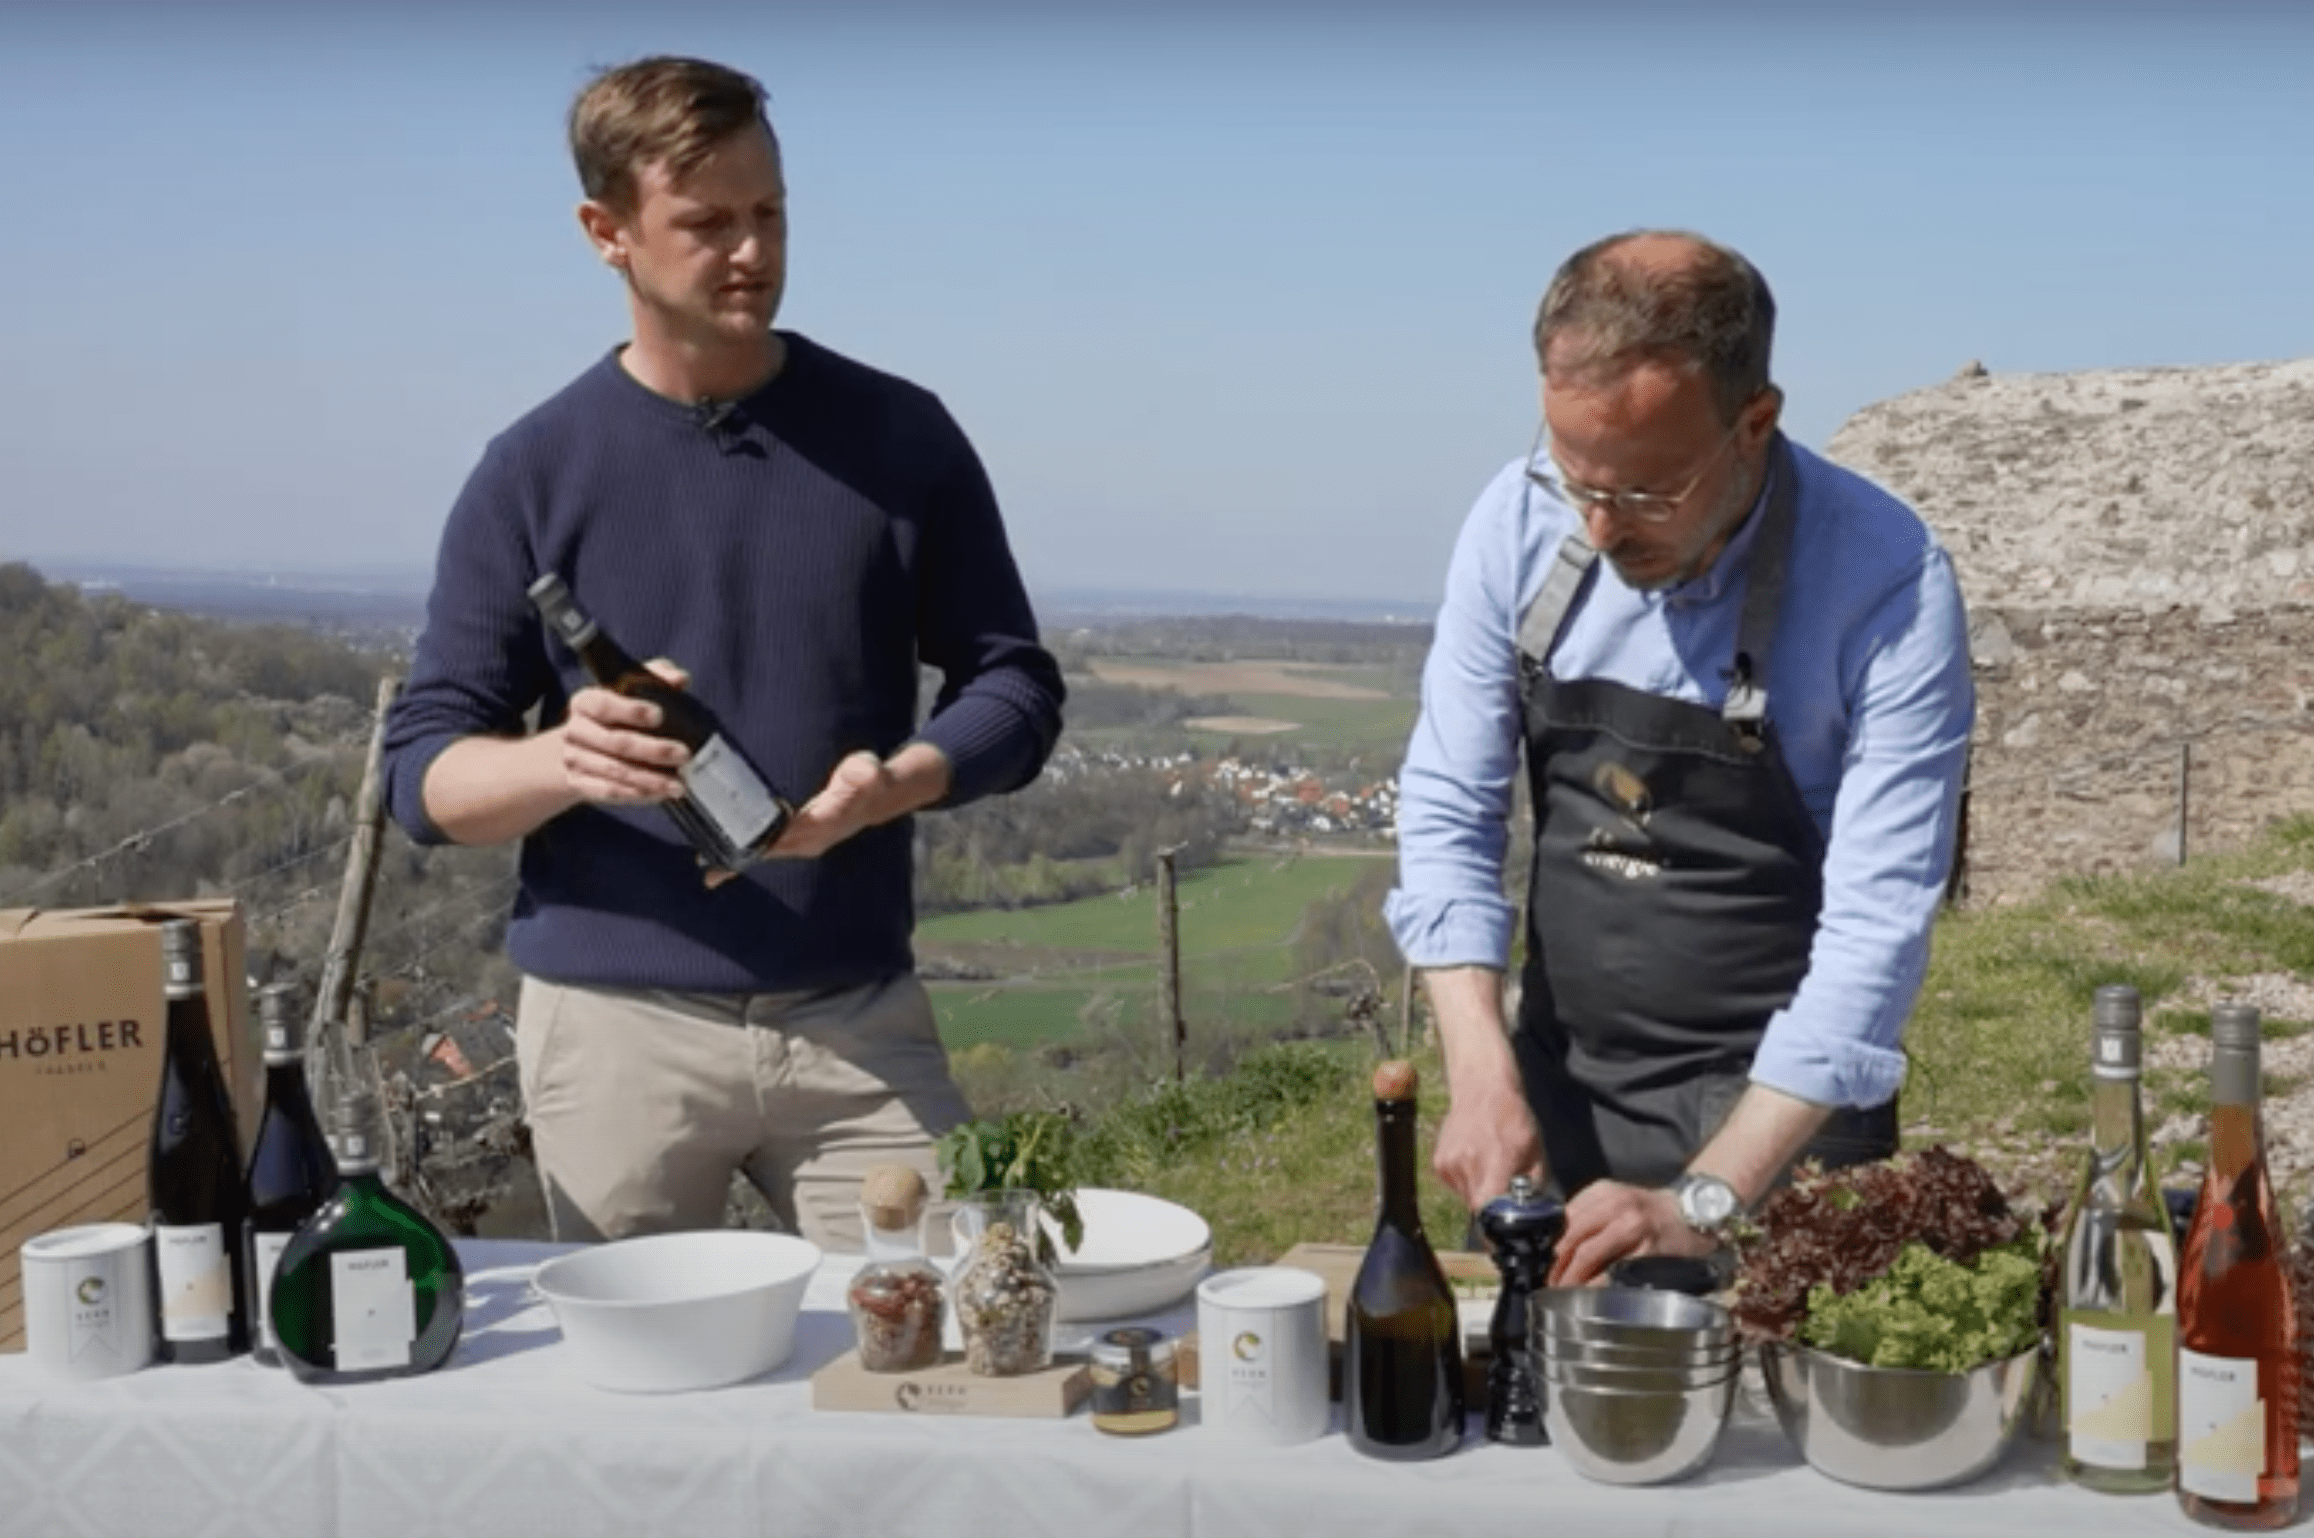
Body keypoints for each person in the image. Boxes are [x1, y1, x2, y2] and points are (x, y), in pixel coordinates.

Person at [381, 56, 1064, 1253]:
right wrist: (564, 760)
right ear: (608, 232)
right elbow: (423, 778)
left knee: (955, 1334)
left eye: (770, 214)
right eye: (707, 223)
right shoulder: (531, 470)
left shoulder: (901, 434)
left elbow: (1014, 684)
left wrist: (898, 781)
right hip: (614, 1039)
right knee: (643, 1404)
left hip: (858, 1016)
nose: (751, 251)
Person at [1384, 230, 1973, 1285]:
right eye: (1577, 480)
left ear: (1754, 423)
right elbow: (1447, 810)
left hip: (1789, 1120)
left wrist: (1710, 1194)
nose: (1602, 529)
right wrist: (1478, 1069)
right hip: (1561, 1085)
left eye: (1648, 494)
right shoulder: (1516, 524)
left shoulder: (1887, 586)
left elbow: (1875, 931)